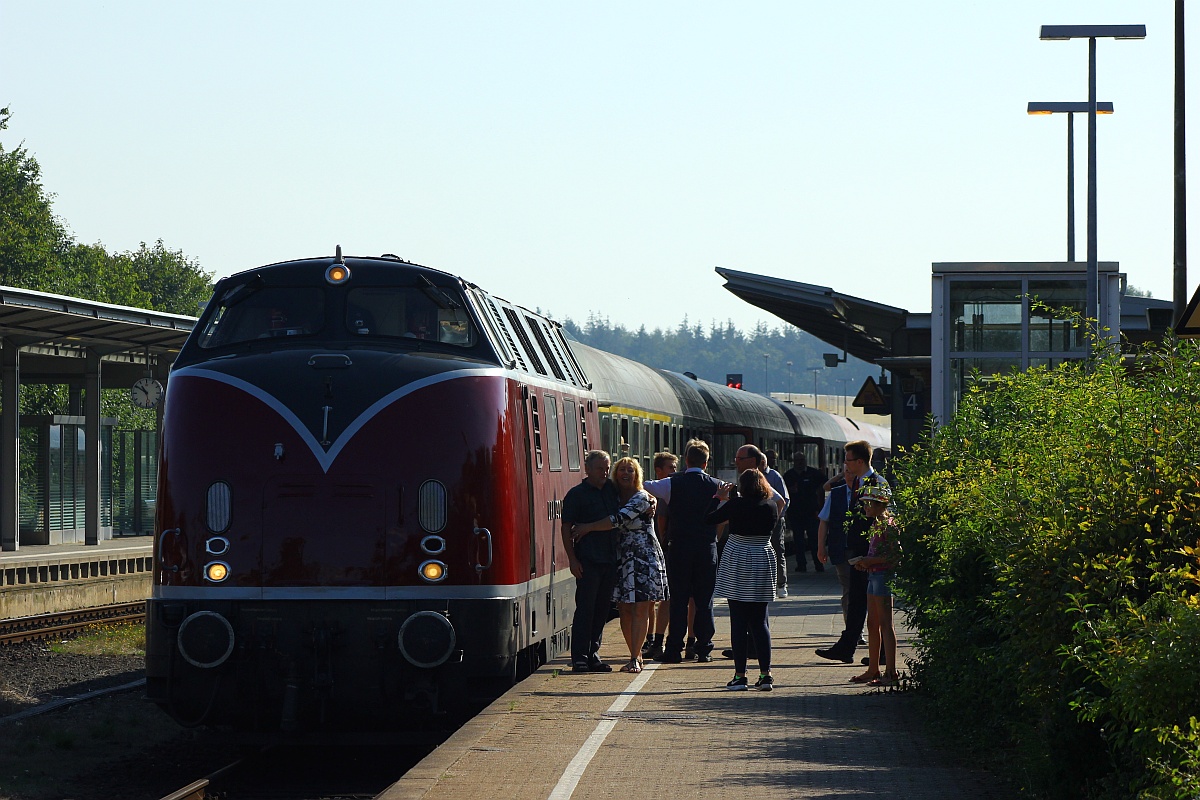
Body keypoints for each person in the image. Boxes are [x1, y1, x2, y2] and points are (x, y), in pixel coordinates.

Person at [572, 457, 668, 674]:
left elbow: (618, 520)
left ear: (637, 475)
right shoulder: (612, 496)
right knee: (624, 608)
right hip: (621, 557)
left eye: (631, 470)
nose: (626, 473)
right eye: (622, 470)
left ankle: (635, 657)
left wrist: (587, 528)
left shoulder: (642, 497)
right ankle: (635, 654)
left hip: (643, 557)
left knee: (641, 606)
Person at [643, 439, 722, 663]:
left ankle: (673, 649)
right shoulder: (717, 485)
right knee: (704, 600)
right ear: (706, 464)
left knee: (678, 599)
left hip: (679, 548)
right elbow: (728, 510)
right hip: (706, 548)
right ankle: (703, 648)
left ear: (686, 461)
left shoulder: (671, 484)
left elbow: (645, 485)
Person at [814, 440, 889, 664]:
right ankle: (848, 647)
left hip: (871, 553)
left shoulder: (876, 482)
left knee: (874, 603)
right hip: (858, 551)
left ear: (859, 461)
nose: (844, 464)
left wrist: (875, 552)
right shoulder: (857, 482)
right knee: (858, 600)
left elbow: (883, 518)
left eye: (847, 460)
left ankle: (880, 652)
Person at [709, 468, 779, 690]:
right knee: (760, 621)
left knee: (738, 621)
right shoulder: (770, 506)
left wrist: (718, 499)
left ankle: (740, 676)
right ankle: (766, 675)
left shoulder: (736, 505)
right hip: (763, 556)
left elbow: (708, 519)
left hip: (738, 556)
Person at [560, 450, 621, 673]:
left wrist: (651, 501)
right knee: (585, 609)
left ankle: (594, 654)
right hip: (588, 560)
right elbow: (566, 527)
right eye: (600, 468)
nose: (605, 472)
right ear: (587, 469)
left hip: (609, 559)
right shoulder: (576, 495)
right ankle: (580, 657)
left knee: (602, 610)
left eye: (607, 468)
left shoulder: (611, 490)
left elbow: (636, 495)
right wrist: (572, 560)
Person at [849, 484, 900, 687]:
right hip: (873, 575)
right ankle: (873, 669)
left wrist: (871, 562)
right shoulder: (876, 524)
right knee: (873, 623)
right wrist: (866, 563)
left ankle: (891, 671)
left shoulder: (888, 525)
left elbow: (896, 556)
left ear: (880, 504)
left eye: (868, 503)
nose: (865, 507)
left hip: (883, 576)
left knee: (886, 624)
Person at [642, 451, 678, 661]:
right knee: (654, 598)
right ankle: (651, 637)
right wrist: (664, 540)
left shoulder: (665, 489)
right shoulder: (663, 490)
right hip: (658, 547)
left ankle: (653, 639)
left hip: (659, 546)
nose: (674, 471)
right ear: (659, 470)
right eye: (671, 468)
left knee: (659, 597)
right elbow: (662, 520)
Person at [783, 453, 827, 573]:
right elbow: (783, 492)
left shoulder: (813, 473)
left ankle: (818, 564)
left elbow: (825, 483)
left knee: (814, 539)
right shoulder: (789, 475)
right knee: (798, 540)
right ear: (794, 462)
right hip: (795, 512)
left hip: (811, 511)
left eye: (802, 460)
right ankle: (801, 564)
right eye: (798, 460)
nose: (800, 462)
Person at [762, 449, 790, 598]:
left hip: (776, 519)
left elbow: (784, 499)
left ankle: (781, 584)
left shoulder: (774, 476)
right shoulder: (752, 476)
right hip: (760, 520)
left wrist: (777, 517)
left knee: (778, 550)